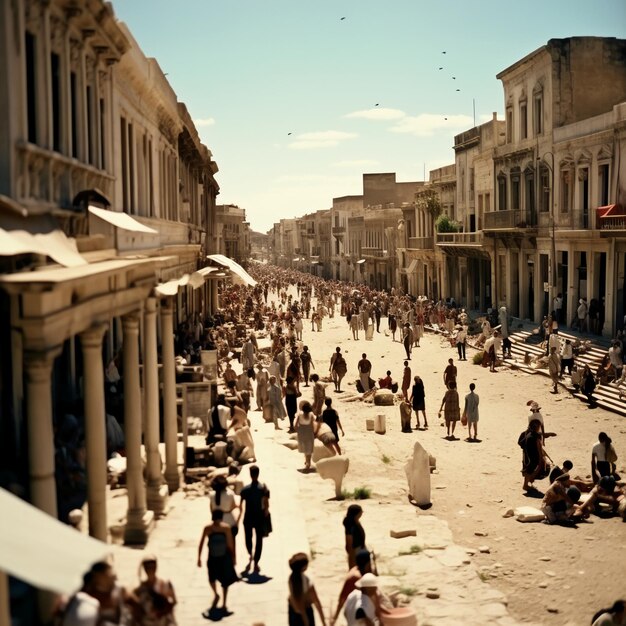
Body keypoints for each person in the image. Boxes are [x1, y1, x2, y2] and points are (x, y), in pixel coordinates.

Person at [197, 510, 238, 615]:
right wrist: (199, 558)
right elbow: (202, 543)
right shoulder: (210, 529)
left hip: (222, 558)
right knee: (213, 579)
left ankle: (224, 603)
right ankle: (216, 595)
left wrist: (233, 558)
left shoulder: (224, 528)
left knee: (224, 582)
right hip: (215, 558)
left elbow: (229, 544)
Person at [238, 465, 270, 575]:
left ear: (250, 475)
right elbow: (266, 504)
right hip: (259, 517)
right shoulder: (263, 489)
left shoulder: (245, 490)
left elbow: (240, 505)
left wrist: (239, 517)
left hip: (248, 517)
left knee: (248, 538)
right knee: (259, 540)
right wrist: (266, 512)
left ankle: (250, 553)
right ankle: (256, 561)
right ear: (258, 474)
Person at [132, 556, 177, 625]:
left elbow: (174, 601)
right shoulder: (139, 590)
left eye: (152, 567)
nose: (150, 570)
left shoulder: (165, 585)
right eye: (148, 568)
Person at [287, 553, 327, 626]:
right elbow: (317, 602)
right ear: (303, 567)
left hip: (293, 613)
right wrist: (324, 622)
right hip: (305, 614)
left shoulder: (291, 579)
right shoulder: (307, 582)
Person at [520, 419, 547, 492]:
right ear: (537, 427)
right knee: (533, 470)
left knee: (529, 469)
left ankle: (527, 484)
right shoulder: (536, 436)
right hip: (534, 456)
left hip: (528, 455)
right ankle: (527, 484)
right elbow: (539, 447)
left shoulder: (528, 434)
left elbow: (522, 443)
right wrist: (541, 458)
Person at [343, 504, 366, 569]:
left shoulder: (356, 522)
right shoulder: (351, 527)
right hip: (355, 551)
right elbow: (349, 544)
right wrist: (352, 557)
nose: (362, 513)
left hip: (359, 549)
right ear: (357, 514)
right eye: (361, 511)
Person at [295, 401, 316, 470]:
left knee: (304, 446)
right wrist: (314, 433)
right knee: (309, 448)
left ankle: (307, 461)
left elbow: (295, 425)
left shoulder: (299, 414)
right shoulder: (311, 415)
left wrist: (298, 431)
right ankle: (308, 462)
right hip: (309, 432)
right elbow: (313, 425)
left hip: (302, 432)